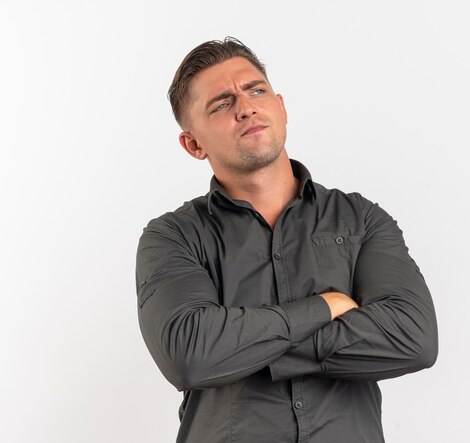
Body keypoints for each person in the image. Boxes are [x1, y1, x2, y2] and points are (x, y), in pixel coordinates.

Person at [135, 37, 438, 443]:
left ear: (281, 107)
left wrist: (244, 348)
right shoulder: (173, 237)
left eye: (255, 90)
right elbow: (191, 356)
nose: (246, 108)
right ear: (194, 144)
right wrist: (324, 307)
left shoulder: (360, 219)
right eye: (222, 104)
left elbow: (413, 338)